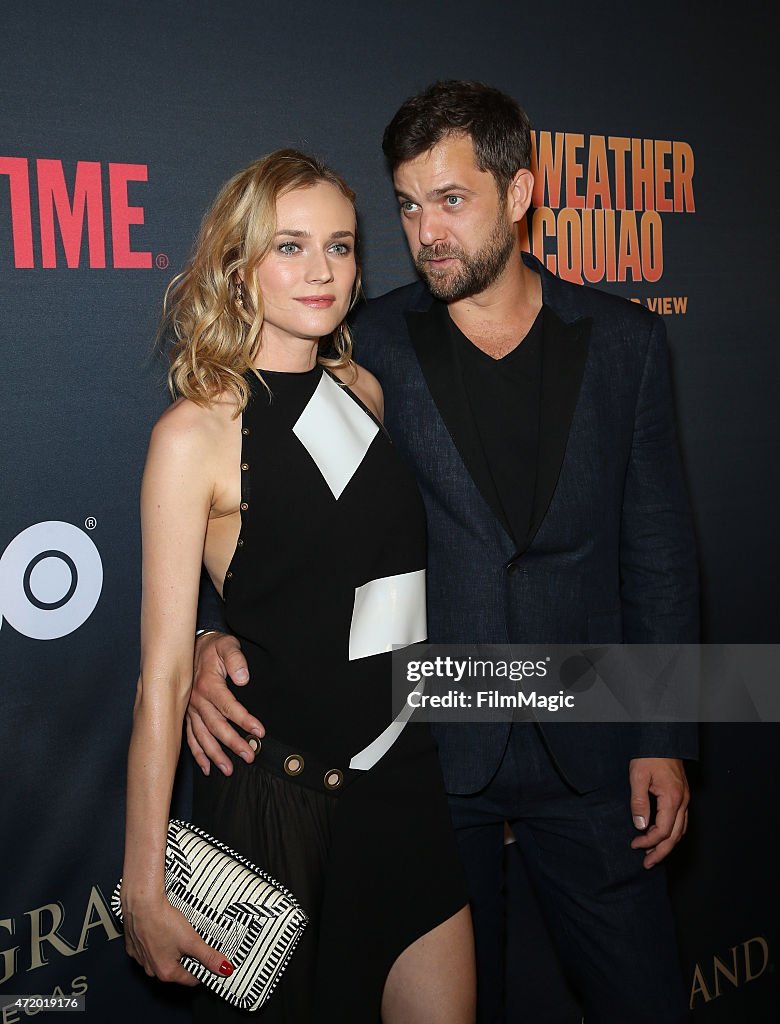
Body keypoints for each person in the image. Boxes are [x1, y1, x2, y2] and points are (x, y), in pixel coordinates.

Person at [190, 83, 699, 1024]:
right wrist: (209, 634)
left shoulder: (625, 343)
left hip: (591, 746)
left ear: (519, 194)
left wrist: (663, 735)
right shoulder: (361, 345)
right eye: (409, 205)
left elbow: (658, 555)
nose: (426, 231)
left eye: (451, 200)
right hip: (423, 753)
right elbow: (289, 523)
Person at [120, 148, 474, 1024]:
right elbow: (161, 678)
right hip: (275, 810)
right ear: (239, 266)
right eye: (290, 246)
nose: (321, 269)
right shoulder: (194, 433)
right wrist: (144, 888)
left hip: (403, 784)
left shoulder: (364, 391)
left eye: (342, 246)